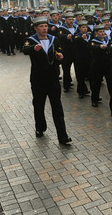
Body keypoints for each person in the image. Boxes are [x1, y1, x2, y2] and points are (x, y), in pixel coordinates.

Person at [22, 16, 72, 145]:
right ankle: (40, 128)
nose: (44, 29)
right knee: (39, 105)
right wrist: (34, 48)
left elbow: (59, 52)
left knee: (57, 107)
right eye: (41, 27)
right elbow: (25, 49)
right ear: (35, 28)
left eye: (46, 26)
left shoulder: (53, 39)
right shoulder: (31, 40)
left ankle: (63, 137)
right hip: (38, 79)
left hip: (53, 78)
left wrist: (60, 57)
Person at [89, 24, 111, 107]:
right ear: (96, 33)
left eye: (103, 31)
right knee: (96, 83)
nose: (102, 33)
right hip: (97, 65)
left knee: (111, 84)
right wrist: (100, 47)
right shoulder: (93, 41)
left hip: (108, 65)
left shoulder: (107, 40)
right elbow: (93, 47)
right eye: (100, 32)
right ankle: (94, 100)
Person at [58, 12, 77, 92]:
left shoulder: (76, 27)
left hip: (76, 52)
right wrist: (66, 37)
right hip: (66, 51)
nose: (71, 21)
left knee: (78, 70)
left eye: (72, 19)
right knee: (66, 69)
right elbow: (59, 36)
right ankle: (66, 85)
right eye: (69, 19)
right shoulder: (62, 28)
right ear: (65, 20)